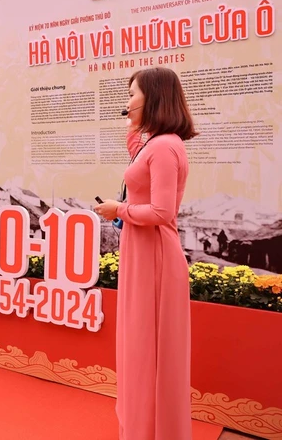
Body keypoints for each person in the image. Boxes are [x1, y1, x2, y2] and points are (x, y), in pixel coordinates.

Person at [94, 67, 196, 440]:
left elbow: (162, 212)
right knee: (139, 348)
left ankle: (153, 431)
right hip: (141, 251)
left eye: (132, 94)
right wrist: (135, 124)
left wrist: (117, 209)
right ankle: (140, 427)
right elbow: (136, 154)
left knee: (148, 350)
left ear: (152, 98)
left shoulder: (165, 146)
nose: (127, 102)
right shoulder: (155, 144)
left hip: (155, 255)